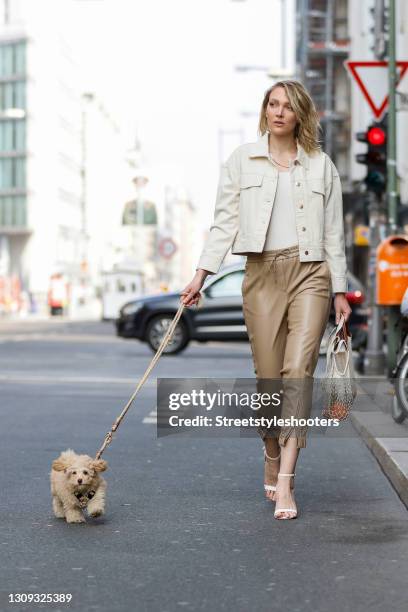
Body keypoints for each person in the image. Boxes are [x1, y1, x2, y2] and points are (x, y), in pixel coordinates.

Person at [180, 80, 352, 520]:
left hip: (310, 272)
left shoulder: (320, 165)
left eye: (287, 107)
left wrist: (339, 291)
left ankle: (289, 479)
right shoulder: (243, 160)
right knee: (269, 377)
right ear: (266, 111)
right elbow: (224, 223)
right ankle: (271, 451)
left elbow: (334, 233)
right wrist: (200, 275)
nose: (278, 113)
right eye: (272, 105)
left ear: (300, 115)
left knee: (298, 371)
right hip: (261, 274)